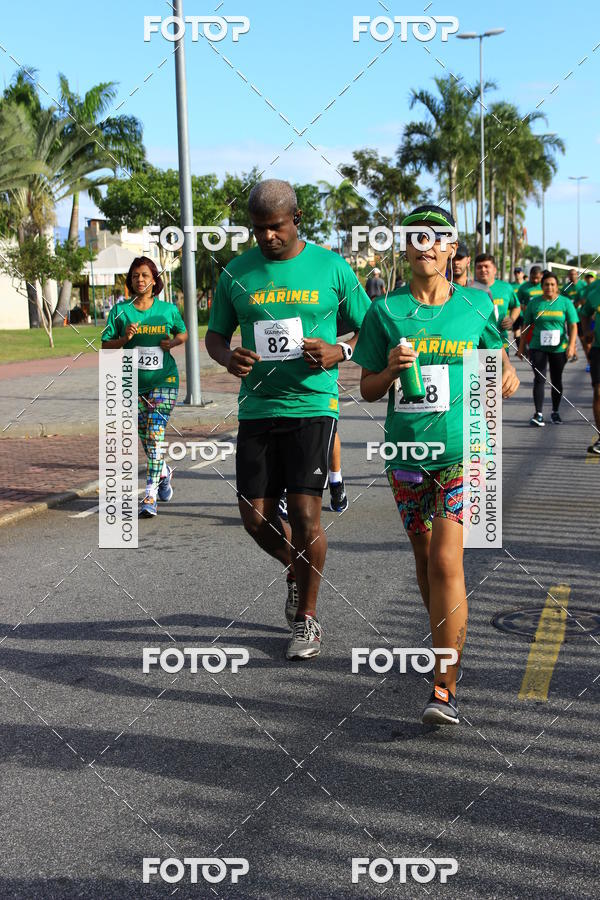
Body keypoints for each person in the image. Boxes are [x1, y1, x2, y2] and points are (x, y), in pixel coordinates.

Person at [353, 204, 519, 725]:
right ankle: (443, 640)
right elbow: (367, 388)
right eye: (415, 237)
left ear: (451, 248)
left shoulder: (476, 304)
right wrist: (390, 369)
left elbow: (496, 360)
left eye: (437, 238)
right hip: (406, 456)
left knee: (448, 560)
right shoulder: (385, 311)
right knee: (426, 563)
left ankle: (443, 685)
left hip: (464, 451)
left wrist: (505, 373)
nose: (425, 245)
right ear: (405, 247)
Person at [205, 179, 370, 660]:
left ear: (296, 219)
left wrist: (339, 350)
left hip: (312, 405)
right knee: (255, 519)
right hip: (257, 408)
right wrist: (227, 358)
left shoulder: (331, 267)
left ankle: (307, 621)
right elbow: (216, 336)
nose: (267, 237)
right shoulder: (236, 272)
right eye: (258, 229)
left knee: (304, 515)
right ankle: (296, 569)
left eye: (275, 227)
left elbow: (371, 327)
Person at [101, 257, 188, 517]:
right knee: (146, 438)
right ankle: (163, 471)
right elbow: (105, 345)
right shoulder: (120, 311)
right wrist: (124, 338)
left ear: (154, 280)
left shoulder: (168, 309)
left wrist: (172, 343)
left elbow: (183, 333)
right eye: (135, 276)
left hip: (165, 380)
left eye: (144, 275)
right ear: (130, 280)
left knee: (154, 432)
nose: (140, 279)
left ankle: (149, 494)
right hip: (131, 382)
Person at [517, 271, 578, 426]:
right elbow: (526, 325)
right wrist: (522, 347)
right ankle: (538, 414)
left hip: (559, 348)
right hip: (538, 347)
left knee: (556, 380)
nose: (549, 287)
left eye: (552, 284)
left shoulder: (565, 302)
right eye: (546, 284)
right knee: (539, 379)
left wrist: (571, 346)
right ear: (542, 286)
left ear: (557, 287)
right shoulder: (534, 303)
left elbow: (572, 325)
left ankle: (555, 412)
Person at [474, 253, 521, 352]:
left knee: (499, 368)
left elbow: (516, 306)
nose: (483, 270)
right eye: (479, 267)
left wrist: (512, 319)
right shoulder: (468, 289)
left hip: (499, 344)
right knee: (474, 368)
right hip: (474, 345)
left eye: (486, 266)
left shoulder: (506, 288)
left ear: (494, 270)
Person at [579, 281, 600, 454]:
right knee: (598, 391)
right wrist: (586, 331)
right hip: (598, 349)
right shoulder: (596, 289)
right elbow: (585, 313)